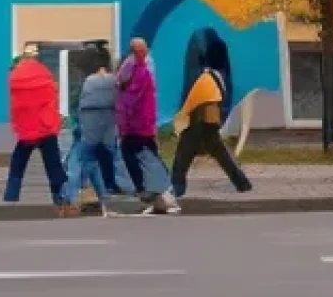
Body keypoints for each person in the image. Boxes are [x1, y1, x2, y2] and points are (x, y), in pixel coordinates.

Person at [4, 43, 73, 214]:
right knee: (53, 165)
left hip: (27, 130)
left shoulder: (16, 75)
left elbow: (16, 105)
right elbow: (52, 99)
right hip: (45, 128)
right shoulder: (44, 73)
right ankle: (60, 197)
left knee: (17, 165)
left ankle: (10, 197)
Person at [171, 57, 252, 198]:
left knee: (183, 156)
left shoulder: (205, 78)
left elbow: (196, 99)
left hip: (198, 120)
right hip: (209, 122)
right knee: (221, 154)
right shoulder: (216, 77)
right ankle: (242, 183)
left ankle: (177, 188)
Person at [116, 38, 179, 214]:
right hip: (139, 124)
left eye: (141, 50)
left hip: (137, 124)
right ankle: (161, 196)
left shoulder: (139, 71)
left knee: (138, 158)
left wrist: (121, 115)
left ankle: (153, 195)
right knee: (148, 157)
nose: (141, 54)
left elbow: (129, 99)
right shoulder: (137, 69)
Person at [63, 44, 117, 213]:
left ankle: (70, 199)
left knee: (79, 161)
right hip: (104, 127)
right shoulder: (111, 80)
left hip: (85, 126)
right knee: (95, 162)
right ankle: (104, 197)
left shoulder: (86, 82)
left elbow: (75, 104)